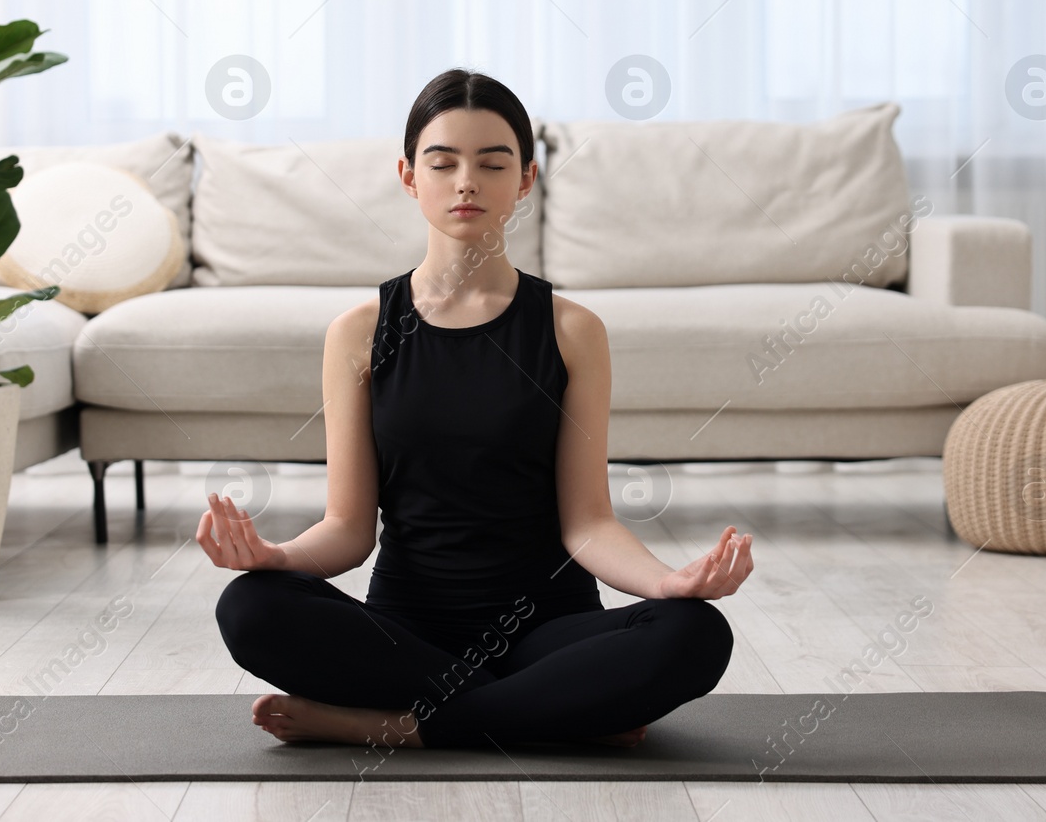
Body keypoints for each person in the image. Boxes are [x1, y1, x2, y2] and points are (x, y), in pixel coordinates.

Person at [201, 68, 752, 751]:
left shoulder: (572, 329)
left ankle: (398, 726)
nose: (468, 181)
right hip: (405, 634)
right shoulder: (358, 332)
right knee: (250, 604)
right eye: (444, 161)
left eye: (494, 163)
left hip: (548, 635)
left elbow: (589, 523)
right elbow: (348, 527)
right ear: (408, 175)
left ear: (525, 179)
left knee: (696, 630)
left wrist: (670, 582)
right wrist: (273, 555)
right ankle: (551, 715)